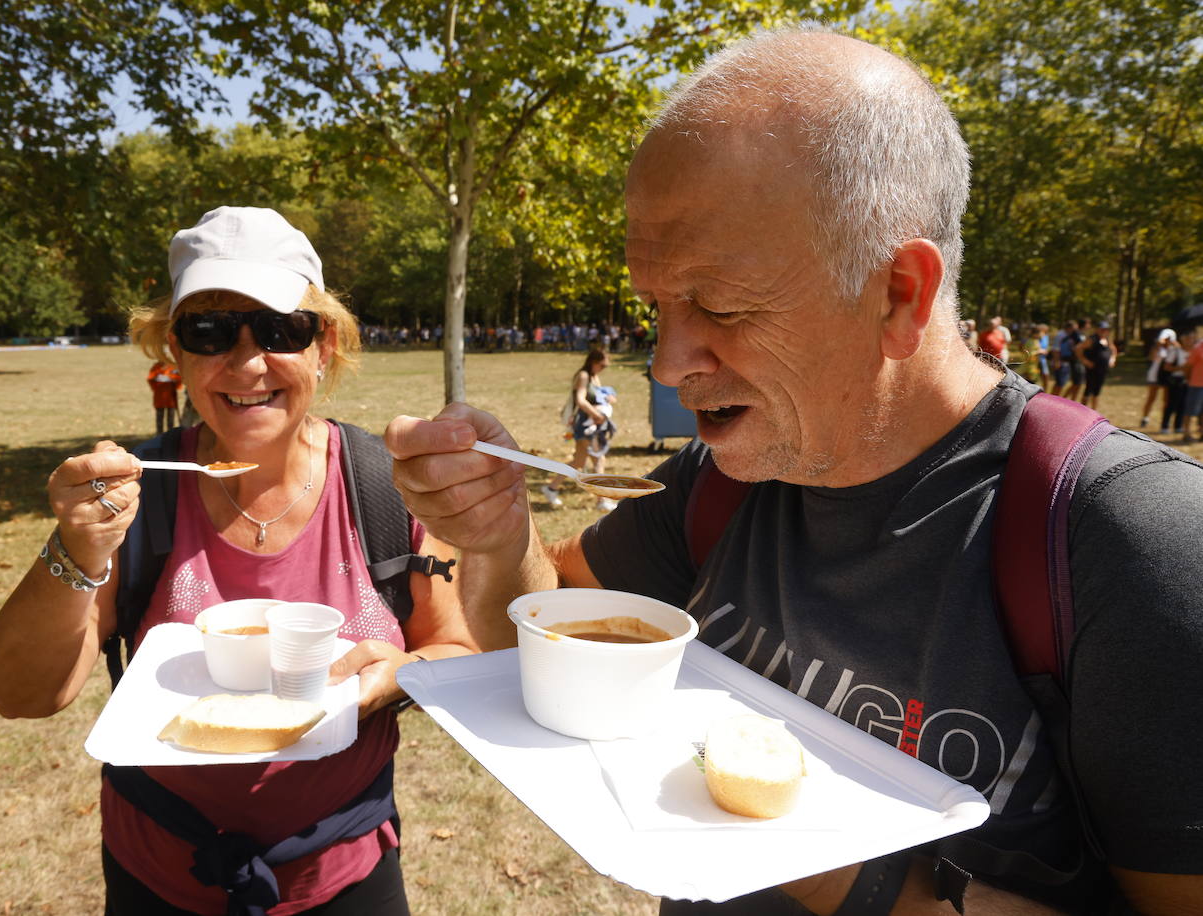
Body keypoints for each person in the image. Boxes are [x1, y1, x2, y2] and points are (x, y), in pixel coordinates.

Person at [385, 25, 1203, 916]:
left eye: (721, 305)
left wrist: (833, 862)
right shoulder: (722, 482)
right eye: (657, 306)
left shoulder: (1134, 547)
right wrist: (499, 536)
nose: (666, 363)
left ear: (902, 294)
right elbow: (542, 634)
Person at [0, 206, 476, 915]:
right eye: (210, 331)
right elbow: (24, 696)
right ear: (176, 355)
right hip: (159, 871)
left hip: (343, 870)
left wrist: (400, 676)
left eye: (280, 329)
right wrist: (76, 548)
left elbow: (456, 649)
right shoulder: (138, 495)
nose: (247, 363)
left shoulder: (385, 486)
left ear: (322, 346)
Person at [542, 347, 617, 511]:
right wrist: (596, 414)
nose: (603, 369)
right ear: (593, 362)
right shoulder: (583, 376)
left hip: (591, 422)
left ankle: (551, 488)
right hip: (585, 423)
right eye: (602, 365)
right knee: (599, 459)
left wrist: (609, 400)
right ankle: (601, 500)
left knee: (579, 461)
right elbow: (581, 400)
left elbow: (597, 397)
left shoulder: (594, 377)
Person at [1074, 321, 1117, 411]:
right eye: (1102, 329)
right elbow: (1078, 348)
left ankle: (1094, 411)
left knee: (1097, 391)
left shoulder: (1107, 340)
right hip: (1092, 369)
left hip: (1102, 370)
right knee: (1088, 390)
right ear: (1098, 329)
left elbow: (1113, 350)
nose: (1104, 331)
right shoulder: (1092, 339)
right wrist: (1085, 361)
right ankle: (1081, 411)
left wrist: (1112, 359)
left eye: (1106, 329)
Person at [1159, 330, 1191, 436]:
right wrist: (1180, 368)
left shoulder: (1193, 352)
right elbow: (1166, 367)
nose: (1189, 341)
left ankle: (1178, 426)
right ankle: (1165, 426)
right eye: (1187, 339)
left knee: (1183, 404)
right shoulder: (1175, 351)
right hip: (1175, 381)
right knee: (1171, 404)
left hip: (1187, 381)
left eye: (1191, 339)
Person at [1141, 328, 1176, 426]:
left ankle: (1164, 421)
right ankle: (1145, 418)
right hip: (1155, 375)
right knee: (1151, 397)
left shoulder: (1174, 349)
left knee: (1166, 399)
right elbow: (1152, 357)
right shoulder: (1158, 348)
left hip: (1166, 376)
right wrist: (1158, 344)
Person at [147, 359, 182, 433]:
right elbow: (150, 379)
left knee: (171, 419)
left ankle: (170, 434)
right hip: (159, 397)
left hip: (171, 398)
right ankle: (159, 434)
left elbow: (178, 379)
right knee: (159, 418)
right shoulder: (156, 367)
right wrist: (156, 383)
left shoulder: (172, 367)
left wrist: (173, 381)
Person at [1184, 328, 1203, 443]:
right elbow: (1188, 366)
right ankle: (1187, 433)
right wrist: (1188, 378)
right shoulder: (1198, 348)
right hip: (1196, 384)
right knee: (1191, 410)